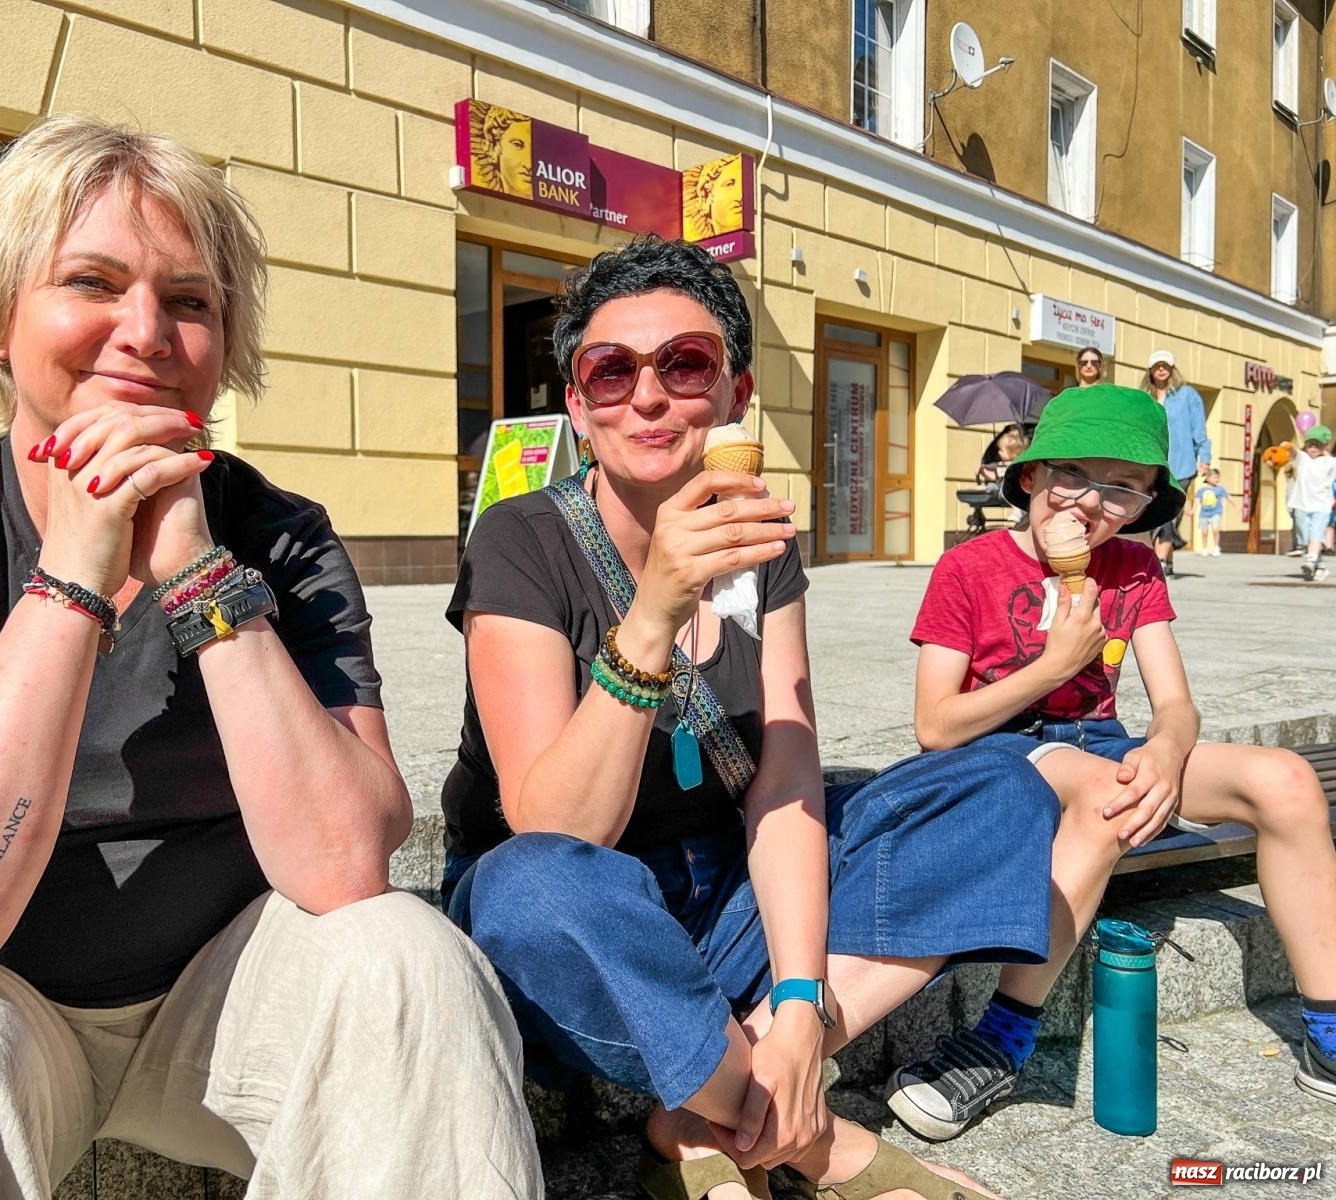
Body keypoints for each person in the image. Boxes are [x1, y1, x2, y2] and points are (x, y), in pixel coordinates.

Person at [0, 116, 541, 1200]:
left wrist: (194, 574)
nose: (144, 331)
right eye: (91, 282)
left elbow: (342, 869)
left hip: (227, 1008)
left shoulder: (279, 536)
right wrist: (71, 583)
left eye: (189, 300)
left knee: (409, 960)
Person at [442, 235, 1062, 1200]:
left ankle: (722, 1094)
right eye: (611, 372)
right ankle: (799, 1138)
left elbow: (783, 778)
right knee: (531, 885)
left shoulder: (761, 545)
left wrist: (805, 1005)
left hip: (721, 897)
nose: (648, 397)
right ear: (578, 404)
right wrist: (653, 612)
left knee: (998, 787)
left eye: (684, 365)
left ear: (731, 394)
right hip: (583, 939)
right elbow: (558, 830)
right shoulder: (520, 540)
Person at [885, 384, 1336, 1141]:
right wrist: (1054, 662)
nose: (1091, 504)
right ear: (1028, 477)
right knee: (1108, 794)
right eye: (1073, 476)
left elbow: (1176, 704)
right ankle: (1002, 1038)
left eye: (1122, 487)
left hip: (1107, 743)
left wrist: (1165, 747)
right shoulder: (969, 567)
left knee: (1285, 779)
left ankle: (1326, 1027)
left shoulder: (1132, 568)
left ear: (1145, 503)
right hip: (1007, 750)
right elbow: (934, 725)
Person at [1143, 349, 1211, 578]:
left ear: (1172, 369)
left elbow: (1199, 429)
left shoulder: (1187, 395)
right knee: (1155, 511)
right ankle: (1168, 562)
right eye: (1157, 366)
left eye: (1165, 365)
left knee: (1169, 512)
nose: (1161, 369)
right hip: (1153, 463)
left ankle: (1159, 561)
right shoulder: (1145, 396)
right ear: (1151, 370)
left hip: (1181, 464)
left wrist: (1205, 457)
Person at [1286, 425, 1336, 581]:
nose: (1313, 447)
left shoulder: (1330, 462)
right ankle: (1320, 567)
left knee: (1316, 534)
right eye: (1310, 443)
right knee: (1306, 538)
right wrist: (1287, 447)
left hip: (1321, 506)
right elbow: (1293, 452)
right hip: (1301, 505)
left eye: (1317, 444)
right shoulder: (1303, 458)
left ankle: (1311, 559)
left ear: (1325, 445)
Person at [975, 424, 1028, 489]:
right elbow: (994, 467)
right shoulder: (1003, 464)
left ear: (1013, 453)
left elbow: (1000, 477)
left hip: (1008, 494)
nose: (998, 452)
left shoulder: (1014, 467)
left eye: (1001, 450)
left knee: (991, 487)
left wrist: (990, 475)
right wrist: (984, 468)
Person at [1192, 467, 1227, 557]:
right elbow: (1197, 501)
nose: (1217, 479)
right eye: (1214, 477)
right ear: (1208, 478)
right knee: (1204, 532)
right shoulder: (1201, 490)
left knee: (1215, 529)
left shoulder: (1220, 489)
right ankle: (1204, 549)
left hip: (1216, 512)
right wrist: (1192, 511)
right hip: (1204, 514)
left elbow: (1228, 497)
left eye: (1218, 477)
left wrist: (1237, 505)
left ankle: (1216, 547)